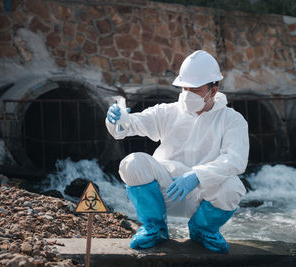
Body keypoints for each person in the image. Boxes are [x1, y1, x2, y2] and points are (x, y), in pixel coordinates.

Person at [106, 50, 249, 253]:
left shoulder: (232, 120)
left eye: (196, 89)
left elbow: (236, 159)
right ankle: (155, 228)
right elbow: (130, 126)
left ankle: (202, 230)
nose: (188, 94)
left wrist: (197, 176)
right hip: (165, 191)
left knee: (233, 187)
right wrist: (117, 121)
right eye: (185, 88)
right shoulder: (168, 111)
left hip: (202, 195)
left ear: (213, 91)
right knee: (132, 162)